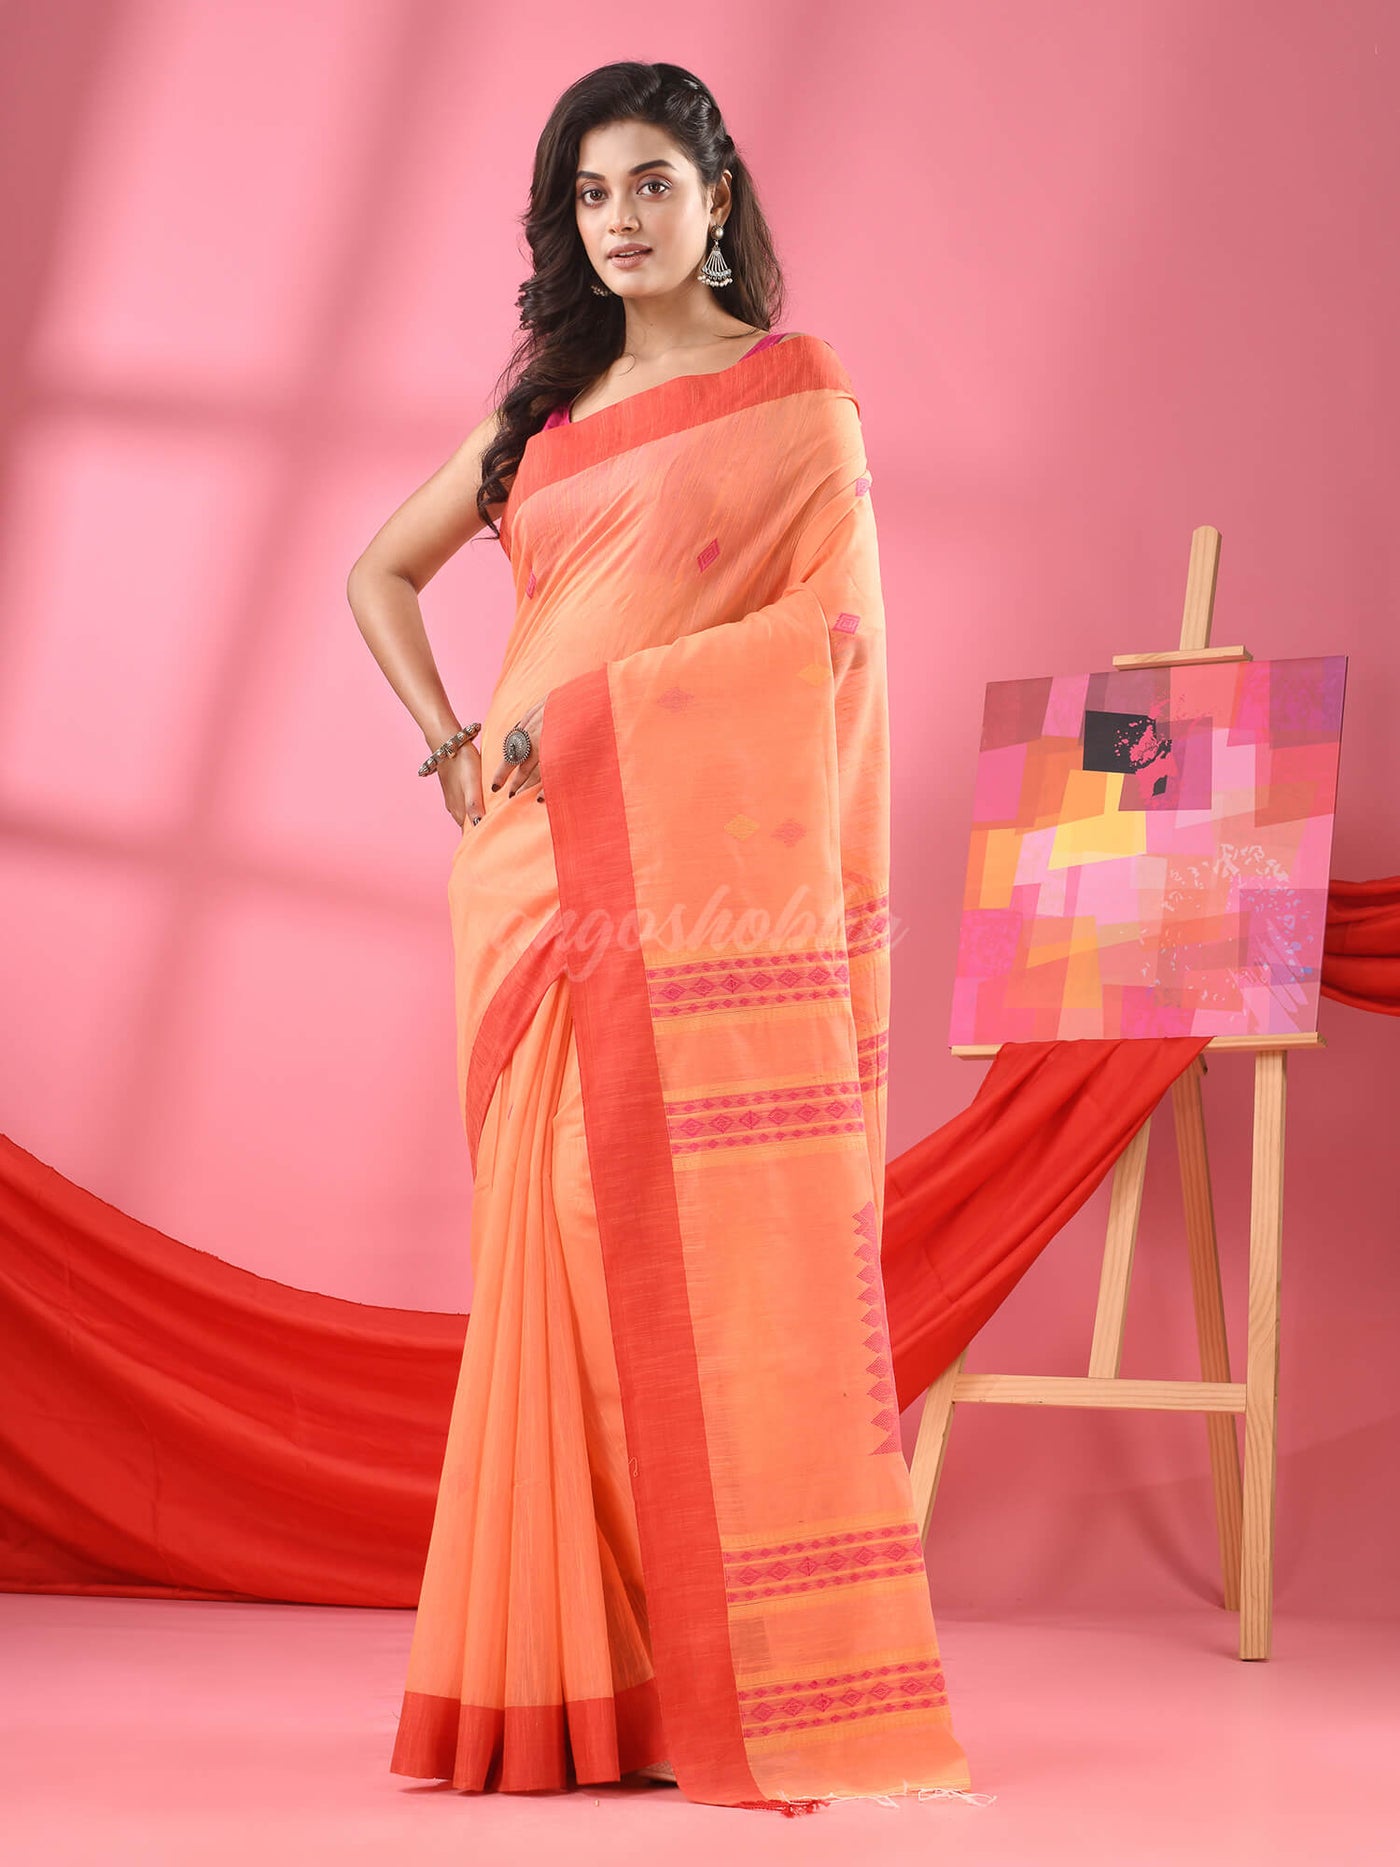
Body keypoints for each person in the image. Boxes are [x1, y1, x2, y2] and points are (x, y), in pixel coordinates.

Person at [345, 59, 971, 1812]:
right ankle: (585, 1684)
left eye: (648, 185)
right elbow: (378, 572)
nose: (618, 221)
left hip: (684, 871)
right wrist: (456, 742)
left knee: (649, 1250)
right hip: (527, 881)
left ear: (716, 197)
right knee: (554, 1258)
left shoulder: (794, 400)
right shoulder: (538, 417)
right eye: (588, 193)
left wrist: (582, 719)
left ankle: (706, 1663)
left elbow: (830, 650)